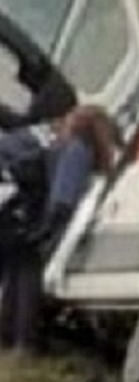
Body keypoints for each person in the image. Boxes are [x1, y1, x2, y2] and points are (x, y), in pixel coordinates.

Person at [0, 105, 120, 354]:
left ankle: (8, 334)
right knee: (30, 264)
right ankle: (24, 342)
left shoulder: (50, 135)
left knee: (16, 261)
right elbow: (62, 199)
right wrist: (47, 232)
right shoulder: (78, 147)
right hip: (8, 193)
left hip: (7, 189)